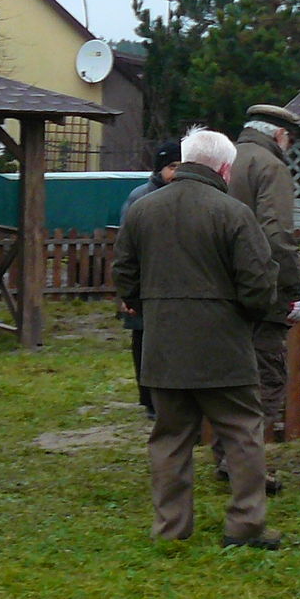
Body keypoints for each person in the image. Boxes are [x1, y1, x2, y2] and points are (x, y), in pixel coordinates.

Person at [113, 127, 280, 548]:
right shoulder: (234, 213)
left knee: (170, 438)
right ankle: (245, 527)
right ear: (224, 167)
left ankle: (171, 529)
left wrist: (147, 306)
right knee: (242, 434)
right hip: (224, 347)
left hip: (164, 345)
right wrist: (246, 316)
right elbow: (259, 285)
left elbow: (124, 273)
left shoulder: (142, 210)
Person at [227, 104, 300, 489]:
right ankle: (244, 464)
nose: (290, 147)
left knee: (233, 377)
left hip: (222, 290)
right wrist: (293, 291)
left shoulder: (228, 157)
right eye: (290, 139)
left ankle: (227, 456)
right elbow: (276, 235)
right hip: (260, 289)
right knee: (267, 377)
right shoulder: (270, 166)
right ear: (279, 135)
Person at [119, 142, 180, 416]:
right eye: (171, 167)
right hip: (145, 280)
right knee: (143, 340)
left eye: (181, 166)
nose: (176, 173)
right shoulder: (140, 198)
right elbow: (126, 246)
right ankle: (149, 400)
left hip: (175, 280)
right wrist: (127, 290)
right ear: (159, 169)